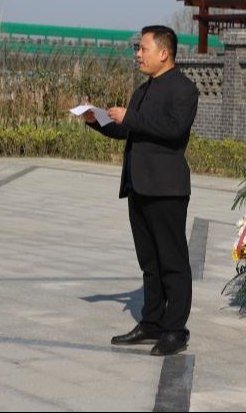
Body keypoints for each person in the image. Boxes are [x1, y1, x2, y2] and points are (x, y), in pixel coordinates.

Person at [81, 25, 199, 356]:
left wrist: (130, 117)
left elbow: (173, 129)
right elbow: (127, 131)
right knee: (149, 261)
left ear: (164, 52)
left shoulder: (184, 90)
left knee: (172, 261)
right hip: (139, 185)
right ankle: (151, 322)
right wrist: (97, 121)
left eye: (143, 48)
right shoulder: (144, 90)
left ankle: (175, 330)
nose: (138, 54)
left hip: (166, 189)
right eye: (138, 49)